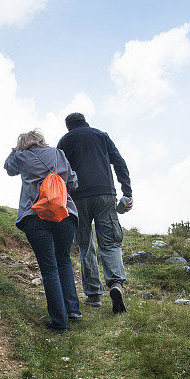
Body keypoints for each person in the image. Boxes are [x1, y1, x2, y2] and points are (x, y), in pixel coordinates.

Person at [5, 129, 82, 333]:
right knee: (64, 260)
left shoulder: (21, 156)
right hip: (64, 213)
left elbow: (9, 168)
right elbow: (73, 182)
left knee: (49, 269)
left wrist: (15, 150)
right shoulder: (58, 154)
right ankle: (73, 309)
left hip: (35, 216)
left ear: (23, 144)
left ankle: (59, 322)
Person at [57, 112, 133, 314]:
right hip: (105, 194)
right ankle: (116, 283)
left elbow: (58, 172)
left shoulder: (64, 141)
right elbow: (119, 162)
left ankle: (93, 294)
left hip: (77, 197)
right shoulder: (101, 135)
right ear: (85, 121)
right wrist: (127, 191)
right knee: (110, 241)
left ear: (68, 126)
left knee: (85, 244)